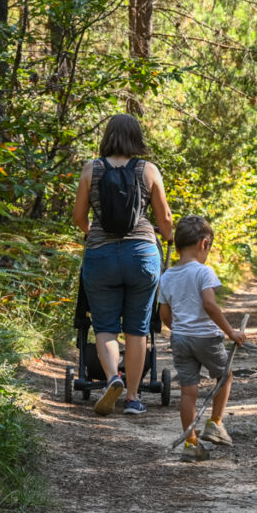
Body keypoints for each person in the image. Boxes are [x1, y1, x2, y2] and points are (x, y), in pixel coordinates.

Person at [72, 113, 173, 416]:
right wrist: (168, 236)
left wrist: (92, 233)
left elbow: (79, 217)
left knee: (104, 327)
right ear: (136, 137)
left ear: (108, 136)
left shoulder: (91, 169)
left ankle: (112, 379)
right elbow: (165, 219)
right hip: (141, 255)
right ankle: (132, 398)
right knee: (137, 329)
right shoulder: (148, 170)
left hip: (100, 257)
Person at [158, 215, 246, 462]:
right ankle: (215, 423)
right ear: (204, 243)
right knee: (224, 376)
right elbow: (209, 305)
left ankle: (191, 443)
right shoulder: (204, 272)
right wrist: (231, 332)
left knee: (188, 392)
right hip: (206, 337)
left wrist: (180, 329)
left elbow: (164, 314)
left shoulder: (167, 276)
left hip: (180, 339)